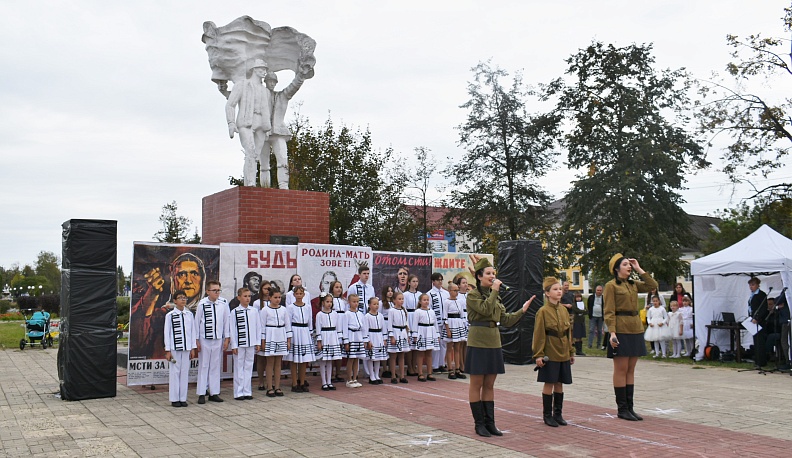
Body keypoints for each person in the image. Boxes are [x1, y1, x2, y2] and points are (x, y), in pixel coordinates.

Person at [466, 257, 535, 437]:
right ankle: (479, 424)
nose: (493, 276)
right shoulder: (472, 295)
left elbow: (505, 319)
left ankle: (491, 423)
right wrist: (495, 291)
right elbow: (486, 310)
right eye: (488, 273)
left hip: (494, 342)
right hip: (478, 341)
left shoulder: (495, 296)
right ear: (479, 276)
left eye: (494, 273)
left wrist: (522, 311)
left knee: (489, 383)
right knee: (477, 383)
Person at [604, 253, 658, 421]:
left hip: (635, 328)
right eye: (626, 264)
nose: (629, 267)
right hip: (620, 329)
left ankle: (630, 407)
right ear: (616, 268)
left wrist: (638, 268)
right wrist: (612, 332)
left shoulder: (633, 284)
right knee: (621, 368)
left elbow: (652, 285)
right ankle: (622, 409)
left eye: (629, 264)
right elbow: (609, 311)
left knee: (631, 369)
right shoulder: (611, 286)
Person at [130, 252, 206, 359]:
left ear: (202, 278)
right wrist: (152, 295)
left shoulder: (207, 310)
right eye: (182, 274)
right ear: (173, 279)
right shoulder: (164, 314)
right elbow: (137, 341)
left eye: (194, 274)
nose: (188, 281)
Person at [533, 277, 574, 427]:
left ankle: (558, 414)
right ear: (547, 293)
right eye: (555, 289)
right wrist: (538, 354)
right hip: (549, 352)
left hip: (563, 350)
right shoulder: (543, 311)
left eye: (560, 289)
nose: (559, 291)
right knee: (549, 382)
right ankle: (547, 415)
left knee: (560, 383)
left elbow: (568, 332)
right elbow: (539, 335)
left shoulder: (563, 310)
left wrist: (571, 351)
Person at [226, 58, 272, 187]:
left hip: (261, 124)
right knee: (250, 152)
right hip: (246, 122)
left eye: (265, 70)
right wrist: (231, 123)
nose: (264, 72)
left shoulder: (265, 91)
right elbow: (230, 104)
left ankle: (249, 183)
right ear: (254, 70)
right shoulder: (242, 85)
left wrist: (267, 128)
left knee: (255, 156)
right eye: (262, 69)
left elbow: (267, 110)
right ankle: (250, 183)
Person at [262, 69, 307, 188]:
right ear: (265, 82)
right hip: (263, 133)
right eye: (269, 81)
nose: (272, 83)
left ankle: (283, 186)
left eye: (273, 81)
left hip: (278, 132)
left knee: (283, 160)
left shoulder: (282, 95)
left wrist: (301, 76)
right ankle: (264, 188)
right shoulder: (260, 96)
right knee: (264, 165)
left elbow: (294, 86)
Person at [195, 281, 230, 404]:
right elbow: (197, 322)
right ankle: (201, 392)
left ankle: (214, 392)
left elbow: (226, 322)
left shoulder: (223, 304)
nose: (217, 293)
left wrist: (227, 338)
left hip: (218, 339)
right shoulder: (202, 304)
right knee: (204, 365)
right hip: (205, 339)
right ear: (207, 291)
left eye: (218, 290)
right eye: (214, 290)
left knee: (215, 366)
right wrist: (196, 340)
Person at [164, 290, 197, 407]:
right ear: (175, 300)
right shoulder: (170, 316)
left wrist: (193, 348)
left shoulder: (189, 315)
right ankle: (174, 398)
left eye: (184, 298)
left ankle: (183, 398)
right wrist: (168, 350)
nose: (183, 300)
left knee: (184, 373)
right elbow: (167, 333)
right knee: (175, 373)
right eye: (180, 298)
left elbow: (193, 332)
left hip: (187, 348)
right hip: (174, 348)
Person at [230, 288, 261, 400]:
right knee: (239, 367)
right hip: (239, 344)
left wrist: (258, 342)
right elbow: (232, 330)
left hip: (251, 343)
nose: (247, 298)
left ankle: (247, 391)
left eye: (249, 296)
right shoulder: (234, 312)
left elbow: (258, 327)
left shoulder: (254, 311)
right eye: (245, 296)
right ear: (239, 297)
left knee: (248, 367)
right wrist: (234, 345)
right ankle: (238, 392)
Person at [260, 288, 292, 397]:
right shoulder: (265, 310)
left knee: (278, 363)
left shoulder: (283, 309)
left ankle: (277, 386)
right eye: (275, 297)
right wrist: (263, 341)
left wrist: (288, 340)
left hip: (281, 335)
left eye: (279, 297)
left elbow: (288, 325)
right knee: (270, 363)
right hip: (270, 335)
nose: (278, 299)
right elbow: (262, 327)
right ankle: (269, 387)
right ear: (270, 297)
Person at [285, 286, 315, 393]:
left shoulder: (307, 307)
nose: (298, 296)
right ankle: (294, 383)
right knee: (294, 360)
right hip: (295, 331)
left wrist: (310, 332)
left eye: (300, 294)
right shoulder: (290, 307)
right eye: (296, 294)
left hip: (304, 331)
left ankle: (302, 382)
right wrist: (289, 335)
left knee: (304, 359)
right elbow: (288, 322)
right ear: (294, 295)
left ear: (303, 295)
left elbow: (310, 320)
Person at [315, 293, 344, 391]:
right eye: (327, 302)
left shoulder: (335, 314)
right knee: (323, 361)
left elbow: (338, 327)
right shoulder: (319, 315)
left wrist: (339, 339)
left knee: (330, 360)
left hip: (333, 337)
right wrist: (319, 341)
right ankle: (324, 382)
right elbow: (318, 328)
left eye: (330, 302)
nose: (329, 304)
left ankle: (329, 382)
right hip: (324, 336)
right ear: (323, 302)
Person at [410, 293, 440, 382]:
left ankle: (429, 373)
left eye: (427, 300)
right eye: (424, 300)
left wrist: (437, 334)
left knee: (429, 353)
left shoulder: (432, 311)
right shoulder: (418, 311)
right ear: (420, 301)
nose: (426, 302)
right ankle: (420, 373)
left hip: (431, 331)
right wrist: (415, 335)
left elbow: (435, 324)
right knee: (420, 353)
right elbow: (415, 323)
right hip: (422, 331)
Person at [443, 282, 467, 380]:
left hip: (459, 323)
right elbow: (444, 316)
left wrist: (463, 326)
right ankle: (450, 369)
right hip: (451, 323)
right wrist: (448, 329)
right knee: (450, 348)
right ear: (449, 291)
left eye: (457, 290)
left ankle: (457, 368)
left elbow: (462, 314)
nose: (456, 292)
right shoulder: (446, 302)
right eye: (454, 290)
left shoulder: (460, 301)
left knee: (458, 348)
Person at [427, 272, 450, 373]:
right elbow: (430, 309)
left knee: (443, 343)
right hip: (435, 322)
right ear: (433, 281)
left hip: (445, 322)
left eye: (441, 280)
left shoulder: (446, 293)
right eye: (438, 280)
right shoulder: (430, 293)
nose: (440, 282)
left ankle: (442, 363)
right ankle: (434, 365)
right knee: (436, 343)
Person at [387, 291, 411, 384]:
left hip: (403, 334)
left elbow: (407, 324)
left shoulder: (404, 310)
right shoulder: (392, 311)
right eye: (399, 299)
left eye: (402, 299)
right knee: (393, 356)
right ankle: (393, 375)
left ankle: (402, 375)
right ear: (394, 300)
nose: (401, 301)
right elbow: (389, 325)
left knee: (402, 356)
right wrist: (392, 336)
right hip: (395, 333)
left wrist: (408, 335)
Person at [363, 297, 388, 384]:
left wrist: (384, 338)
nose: (376, 306)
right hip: (371, 336)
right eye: (374, 304)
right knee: (371, 358)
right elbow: (365, 329)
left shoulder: (380, 316)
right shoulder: (367, 316)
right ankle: (371, 375)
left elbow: (384, 328)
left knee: (378, 357)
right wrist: (367, 340)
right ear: (369, 305)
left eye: (377, 304)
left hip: (379, 337)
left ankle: (377, 375)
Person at [344, 293, 366, 388]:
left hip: (358, 336)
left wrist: (365, 339)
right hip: (351, 336)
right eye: (354, 302)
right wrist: (346, 341)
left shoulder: (360, 314)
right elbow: (344, 328)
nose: (356, 303)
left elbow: (364, 327)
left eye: (357, 302)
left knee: (356, 358)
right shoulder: (347, 314)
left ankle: (355, 378)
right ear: (349, 302)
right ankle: (349, 379)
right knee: (351, 358)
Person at [328, 280, 348, 383]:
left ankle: (338, 373)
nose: (339, 289)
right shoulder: (330, 300)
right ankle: (330, 374)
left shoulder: (344, 301)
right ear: (332, 289)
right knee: (332, 350)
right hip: (334, 325)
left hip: (342, 325)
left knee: (339, 351)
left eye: (340, 287)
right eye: (336, 287)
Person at [747, 277, 769, 367]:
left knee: (760, 341)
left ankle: (762, 361)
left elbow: (763, 309)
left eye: (753, 285)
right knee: (756, 341)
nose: (751, 287)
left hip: (759, 321)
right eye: (750, 285)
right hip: (753, 319)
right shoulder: (752, 294)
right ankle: (757, 360)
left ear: (757, 285)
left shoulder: (761, 295)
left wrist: (757, 318)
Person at [403, 274, 422, 376]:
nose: (415, 283)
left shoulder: (420, 294)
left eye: (416, 281)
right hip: (409, 317)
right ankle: (409, 367)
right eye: (413, 281)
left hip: (418, 317)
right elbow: (404, 309)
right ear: (409, 283)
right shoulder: (405, 295)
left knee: (416, 345)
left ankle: (415, 366)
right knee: (410, 346)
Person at [765, 293, 790, 370]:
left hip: (784, 325)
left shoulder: (787, 289)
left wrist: (777, 305)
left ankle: (787, 361)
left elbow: (778, 299)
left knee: (784, 341)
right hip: (779, 327)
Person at [561, 281, 586, 356]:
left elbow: (575, 302)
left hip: (572, 314)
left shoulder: (571, 294)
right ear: (562, 286)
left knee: (572, 330)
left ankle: (573, 344)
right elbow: (558, 304)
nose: (566, 287)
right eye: (565, 285)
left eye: (567, 285)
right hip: (564, 313)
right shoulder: (561, 294)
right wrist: (566, 305)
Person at [380, 285, 395, 379]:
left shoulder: (394, 303)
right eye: (388, 291)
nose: (390, 292)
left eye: (391, 291)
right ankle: (384, 369)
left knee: (391, 348)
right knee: (384, 348)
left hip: (392, 325)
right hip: (385, 324)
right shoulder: (381, 303)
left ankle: (391, 369)